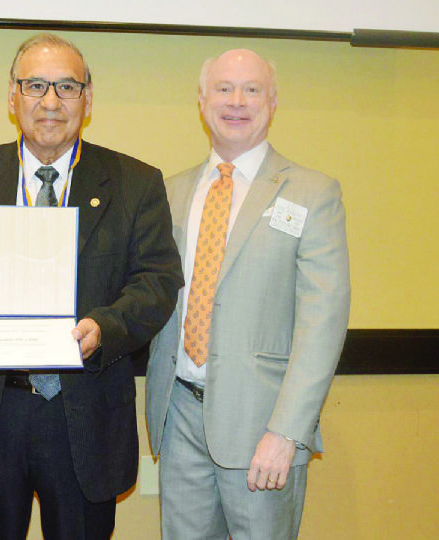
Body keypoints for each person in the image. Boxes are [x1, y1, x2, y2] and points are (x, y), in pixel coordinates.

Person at [0, 33, 183, 539]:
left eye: (67, 86)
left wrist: (105, 326)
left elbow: (158, 283)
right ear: (12, 96)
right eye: (36, 85)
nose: (51, 102)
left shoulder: (135, 182)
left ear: (88, 98)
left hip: (83, 412)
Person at [145, 49, 351, 539]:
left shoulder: (312, 193)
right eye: (223, 88)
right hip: (179, 420)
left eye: (252, 89)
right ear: (201, 101)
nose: (237, 101)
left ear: (273, 101)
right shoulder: (168, 193)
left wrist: (286, 433)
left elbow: (323, 323)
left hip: (264, 428)